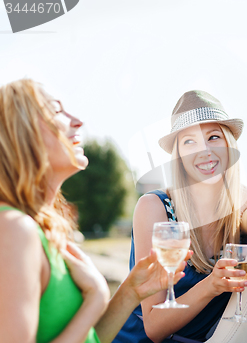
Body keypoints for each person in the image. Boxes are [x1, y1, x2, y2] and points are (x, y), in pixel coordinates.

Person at [0, 79, 188, 343]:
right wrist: (96, 298)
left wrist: (130, 292)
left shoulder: (40, 229)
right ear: (18, 132)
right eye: (55, 111)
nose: (77, 121)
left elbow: (87, 339)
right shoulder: (12, 229)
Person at [115, 90, 247, 343]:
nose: (205, 150)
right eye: (190, 142)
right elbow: (153, 326)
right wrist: (212, 285)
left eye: (214, 137)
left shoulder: (242, 199)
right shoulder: (154, 207)